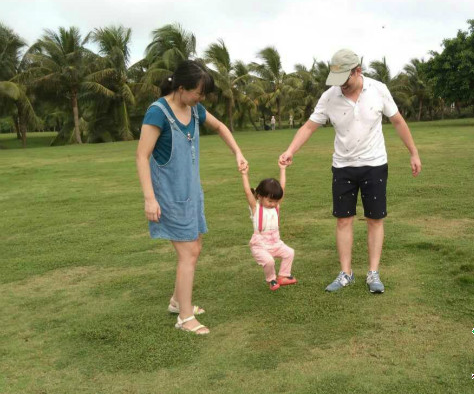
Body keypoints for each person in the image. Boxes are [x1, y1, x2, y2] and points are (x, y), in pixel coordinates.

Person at [279, 49, 422, 294]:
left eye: (345, 79)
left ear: (358, 71)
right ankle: (346, 273)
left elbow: (398, 121)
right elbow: (309, 126)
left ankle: (373, 273)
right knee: (343, 219)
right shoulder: (329, 96)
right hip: (343, 166)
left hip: (374, 164)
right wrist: (291, 150)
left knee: (375, 219)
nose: (341, 86)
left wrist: (413, 152)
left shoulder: (378, 89)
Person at [136, 60, 248, 335]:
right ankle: (185, 318)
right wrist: (149, 198)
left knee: (195, 246)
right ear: (182, 88)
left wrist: (237, 152)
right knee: (189, 252)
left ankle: (177, 302)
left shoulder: (195, 109)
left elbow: (220, 127)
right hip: (168, 196)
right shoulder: (157, 112)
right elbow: (141, 156)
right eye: (199, 92)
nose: (202, 98)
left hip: (191, 192)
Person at [240, 162, 296, 291]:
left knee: (289, 253)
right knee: (269, 261)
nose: (273, 204)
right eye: (270, 201)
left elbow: (282, 187)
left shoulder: (276, 207)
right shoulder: (256, 208)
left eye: (276, 201)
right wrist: (244, 174)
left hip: (276, 243)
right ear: (260, 196)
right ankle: (271, 280)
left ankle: (283, 276)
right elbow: (248, 193)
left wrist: (283, 169)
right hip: (260, 245)